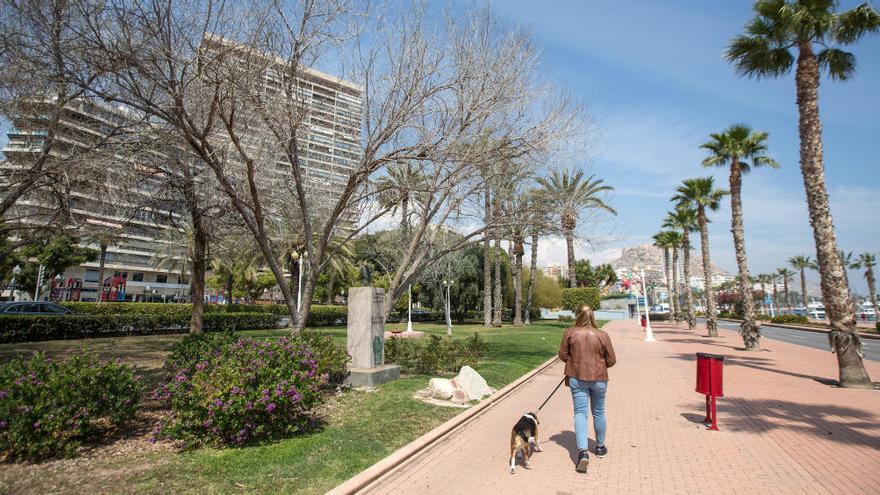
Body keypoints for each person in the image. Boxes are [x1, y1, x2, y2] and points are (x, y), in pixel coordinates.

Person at [558, 304, 616, 473]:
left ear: (578, 316)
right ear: (593, 316)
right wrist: (598, 363)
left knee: (580, 413)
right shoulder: (602, 335)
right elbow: (611, 360)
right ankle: (600, 446)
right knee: (599, 412)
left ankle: (583, 452)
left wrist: (575, 360)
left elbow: (562, 355)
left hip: (577, 377)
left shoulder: (570, 332)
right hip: (599, 378)